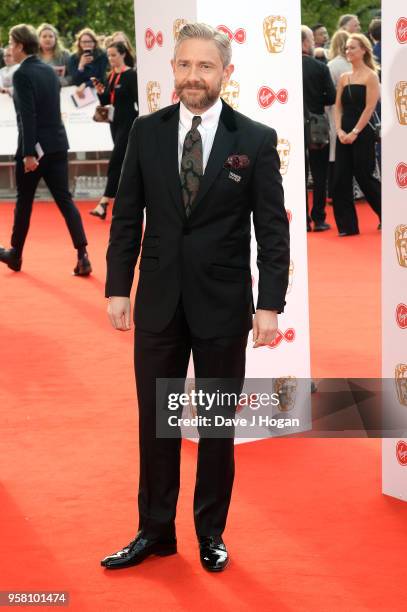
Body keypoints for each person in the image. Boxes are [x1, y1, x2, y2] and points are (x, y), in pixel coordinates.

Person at [101, 22, 289, 572]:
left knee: (214, 427)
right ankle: (155, 531)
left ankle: (211, 532)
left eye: (205, 66)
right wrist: (118, 287)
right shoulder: (146, 130)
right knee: (156, 423)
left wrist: (269, 304)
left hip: (223, 305)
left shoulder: (253, 139)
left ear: (226, 73)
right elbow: (126, 216)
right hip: (158, 300)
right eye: (184, 65)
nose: (192, 76)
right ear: (172, 69)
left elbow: (272, 230)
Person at [0, 24, 91, 275]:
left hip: (34, 151)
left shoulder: (21, 74)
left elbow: (28, 116)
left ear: (19, 45)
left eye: (10, 42)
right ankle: (83, 255)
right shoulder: (49, 72)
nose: (8, 47)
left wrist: (29, 153)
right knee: (65, 200)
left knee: (24, 202)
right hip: (58, 145)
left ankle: (15, 254)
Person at [332, 33, 381, 236]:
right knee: (339, 179)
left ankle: (389, 213)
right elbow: (338, 107)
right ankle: (347, 227)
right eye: (347, 48)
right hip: (343, 133)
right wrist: (340, 130)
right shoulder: (344, 77)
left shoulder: (371, 75)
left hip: (363, 132)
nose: (348, 51)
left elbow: (369, 108)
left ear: (364, 50)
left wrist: (354, 132)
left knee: (365, 176)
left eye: (352, 47)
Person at [89, 41, 138, 219]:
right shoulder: (110, 76)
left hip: (128, 123)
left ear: (123, 54)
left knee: (115, 162)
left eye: (114, 55)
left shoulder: (131, 75)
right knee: (123, 163)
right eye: (108, 55)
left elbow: (137, 101)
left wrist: (140, 124)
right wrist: (100, 92)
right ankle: (121, 203)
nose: (111, 59)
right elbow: (107, 103)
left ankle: (104, 202)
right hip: (114, 124)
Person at [302, 26, 336, 232]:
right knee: (320, 174)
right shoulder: (320, 67)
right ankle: (319, 219)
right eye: (311, 40)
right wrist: (316, 102)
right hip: (317, 127)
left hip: (294, 125)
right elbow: (331, 97)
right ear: (306, 42)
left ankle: (303, 220)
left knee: (298, 174)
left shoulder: (285, 68)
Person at [326, 30, 351, 196]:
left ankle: (335, 191)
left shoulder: (332, 65)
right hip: (350, 112)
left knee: (334, 153)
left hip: (333, 112)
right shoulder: (350, 64)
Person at [68, 27, 108, 98]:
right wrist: (81, 66)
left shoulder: (102, 56)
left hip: (98, 93)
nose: (87, 44)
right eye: (84, 42)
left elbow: (102, 78)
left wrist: (85, 84)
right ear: (79, 43)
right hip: (80, 95)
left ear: (94, 43)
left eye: (89, 41)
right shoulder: (73, 58)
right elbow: (74, 80)